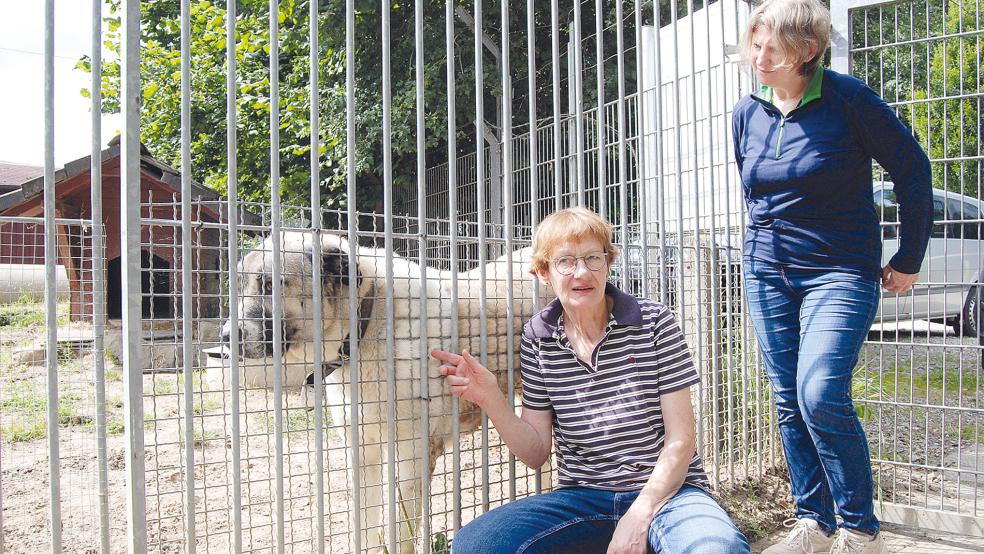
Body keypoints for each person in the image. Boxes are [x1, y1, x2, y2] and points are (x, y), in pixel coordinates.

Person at [732, 1, 933, 553]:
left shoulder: (848, 99)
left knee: (819, 392)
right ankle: (813, 522)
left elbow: (913, 168)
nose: (760, 57)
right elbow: (756, 195)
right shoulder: (747, 112)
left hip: (840, 270)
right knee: (787, 398)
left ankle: (860, 529)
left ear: (808, 50)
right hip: (767, 271)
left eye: (774, 48)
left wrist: (910, 255)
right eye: (756, 44)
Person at [431, 207, 749, 554]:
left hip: (668, 492)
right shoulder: (538, 337)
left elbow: (681, 440)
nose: (582, 272)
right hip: (584, 497)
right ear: (544, 273)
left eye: (593, 258)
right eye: (565, 261)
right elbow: (536, 453)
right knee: (476, 545)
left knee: (718, 549)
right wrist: (491, 398)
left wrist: (638, 516)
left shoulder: (654, 321)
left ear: (608, 264)